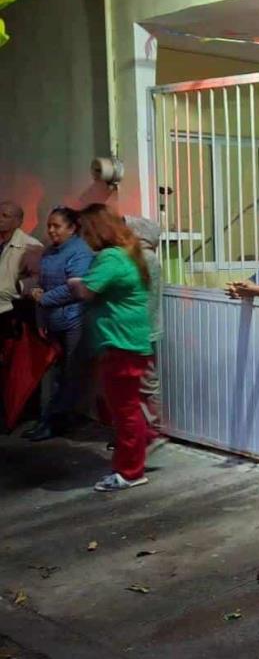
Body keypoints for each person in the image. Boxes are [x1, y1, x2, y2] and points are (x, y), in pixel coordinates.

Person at [67, 204, 154, 492]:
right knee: (127, 409)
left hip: (122, 345)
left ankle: (130, 472)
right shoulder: (126, 254)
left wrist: (74, 281)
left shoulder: (111, 258)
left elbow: (87, 290)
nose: (82, 238)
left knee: (125, 411)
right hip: (128, 343)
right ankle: (135, 456)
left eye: (84, 231)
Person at [24, 208, 94, 441]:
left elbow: (73, 289)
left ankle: (57, 421)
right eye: (49, 226)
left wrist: (43, 299)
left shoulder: (81, 252)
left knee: (70, 373)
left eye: (57, 226)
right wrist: (41, 315)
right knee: (51, 373)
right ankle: (49, 419)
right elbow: (43, 284)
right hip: (52, 320)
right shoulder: (49, 252)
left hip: (74, 321)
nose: (51, 230)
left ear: (72, 228)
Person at [124, 216, 165, 447]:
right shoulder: (141, 258)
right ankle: (144, 428)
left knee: (147, 382)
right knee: (140, 382)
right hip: (142, 328)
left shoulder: (147, 259)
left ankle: (152, 429)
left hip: (144, 329)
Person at [0, 200, 43, 333]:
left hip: (10, 313)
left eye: (5, 216)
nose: (0, 219)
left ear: (18, 222)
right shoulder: (3, 243)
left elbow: (40, 278)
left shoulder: (31, 245)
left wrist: (18, 287)